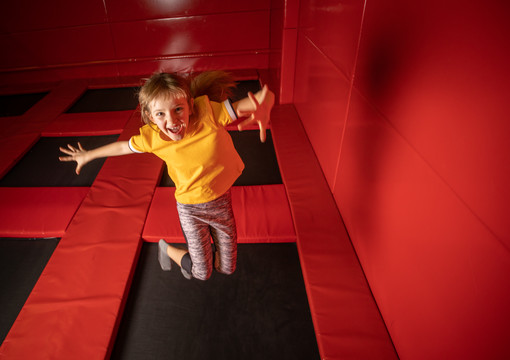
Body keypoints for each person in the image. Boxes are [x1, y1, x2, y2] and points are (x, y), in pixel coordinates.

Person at [59, 71, 274, 281]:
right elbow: (123, 147)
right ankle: (168, 249)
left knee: (226, 268)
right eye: (160, 114)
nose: (171, 120)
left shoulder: (209, 114)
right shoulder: (153, 138)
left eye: (178, 109)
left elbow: (264, 97)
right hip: (191, 210)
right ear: (150, 117)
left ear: (190, 106)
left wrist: (267, 104)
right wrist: (88, 155)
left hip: (221, 204)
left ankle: (202, 255)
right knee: (202, 273)